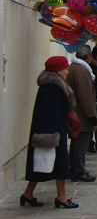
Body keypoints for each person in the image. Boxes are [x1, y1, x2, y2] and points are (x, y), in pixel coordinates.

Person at [22, 56, 79, 209]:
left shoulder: (52, 86)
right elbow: (48, 113)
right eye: (65, 69)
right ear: (58, 71)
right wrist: (49, 136)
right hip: (51, 130)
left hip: (52, 127)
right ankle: (62, 197)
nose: (67, 72)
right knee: (59, 163)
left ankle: (28, 194)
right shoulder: (52, 88)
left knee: (42, 163)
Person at [66, 45, 97, 182]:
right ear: (88, 56)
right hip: (81, 114)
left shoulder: (72, 67)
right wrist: (92, 116)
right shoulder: (81, 71)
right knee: (81, 143)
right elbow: (85, 95)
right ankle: (78, 170)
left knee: (76, 142)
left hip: (74, 111)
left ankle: (73, 168)